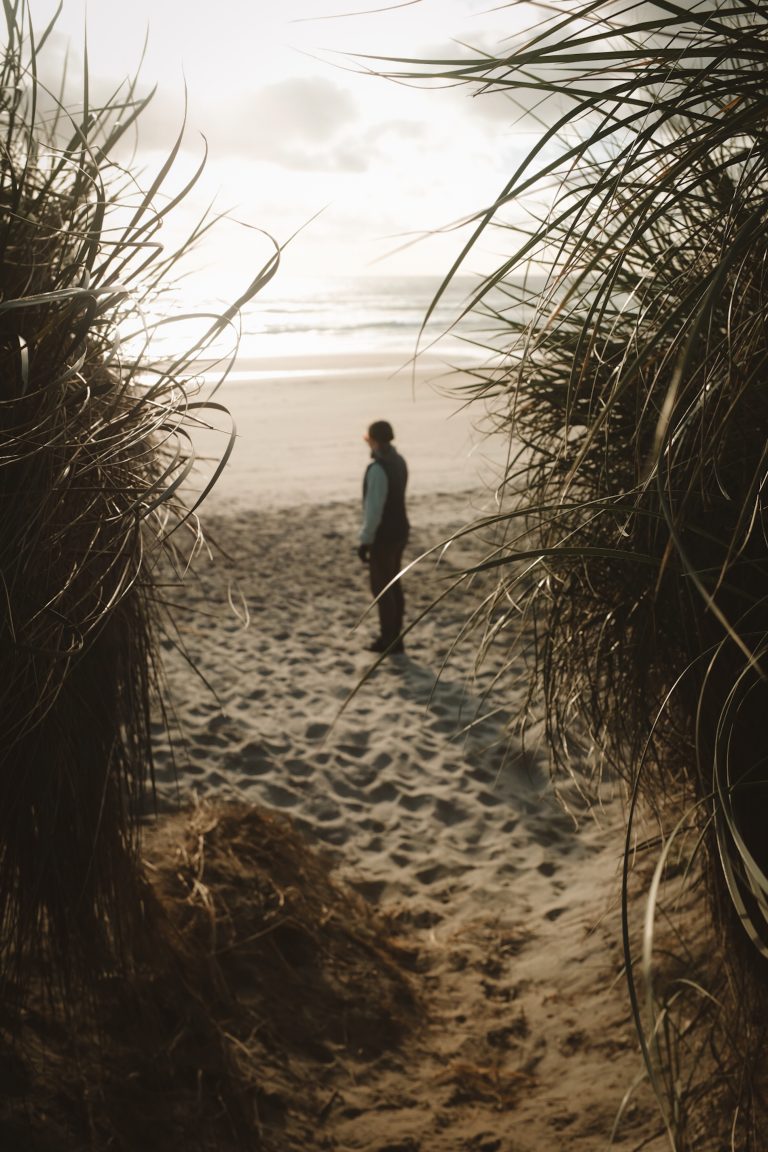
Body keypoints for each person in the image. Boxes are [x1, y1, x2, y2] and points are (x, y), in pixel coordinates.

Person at [358, 420, 409, 655]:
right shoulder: (399, 462)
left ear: (375, 441)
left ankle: (389, 639)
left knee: (382, 587)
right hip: (400, 529)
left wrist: (365, 540)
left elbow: (374, 509)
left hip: (384, 535)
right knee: (394, 584)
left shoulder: (378, 468)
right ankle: (395, 636)